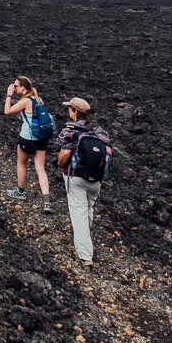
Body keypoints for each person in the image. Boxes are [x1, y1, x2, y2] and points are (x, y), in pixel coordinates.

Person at [55, 98, 112, 264]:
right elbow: (108, 151)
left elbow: (65, 153)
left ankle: (85, 256)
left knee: (78, 212)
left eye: (69, 108)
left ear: (74, 111)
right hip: (96, 179)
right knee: (88, 208)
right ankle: (86, 239)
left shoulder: (70, 129)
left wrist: (60, 164)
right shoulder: (100, 131)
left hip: (76, 177)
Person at [3, 76, 53, 212]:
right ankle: (47, 202)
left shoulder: (25, 101)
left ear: (23, 88)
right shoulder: (38, 99)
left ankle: (20, 192)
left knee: (22, 164)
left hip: (27, 138)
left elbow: (7, 111)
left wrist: (9, 95)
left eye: (16, 86)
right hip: (41, 138)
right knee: (40, 169)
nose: (14, 87)